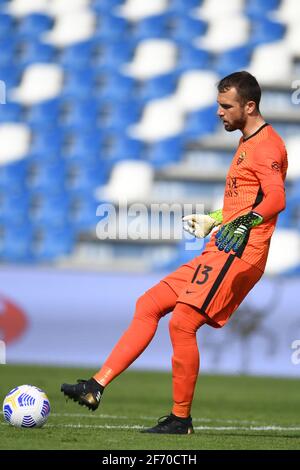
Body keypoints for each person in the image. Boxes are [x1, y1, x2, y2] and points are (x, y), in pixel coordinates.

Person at [61, 71, 287, 435]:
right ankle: (96, 386)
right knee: (149, 303)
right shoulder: (247, 141)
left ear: (249, 105)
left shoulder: (267, 146)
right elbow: (249, 199)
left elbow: (276, 197)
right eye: (218, 104)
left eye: (225, 106)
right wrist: (215, 218)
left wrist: (246, 224)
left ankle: (180, 418)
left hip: (241, 253)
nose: (219, 112)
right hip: (222, 246)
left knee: (183, 322)